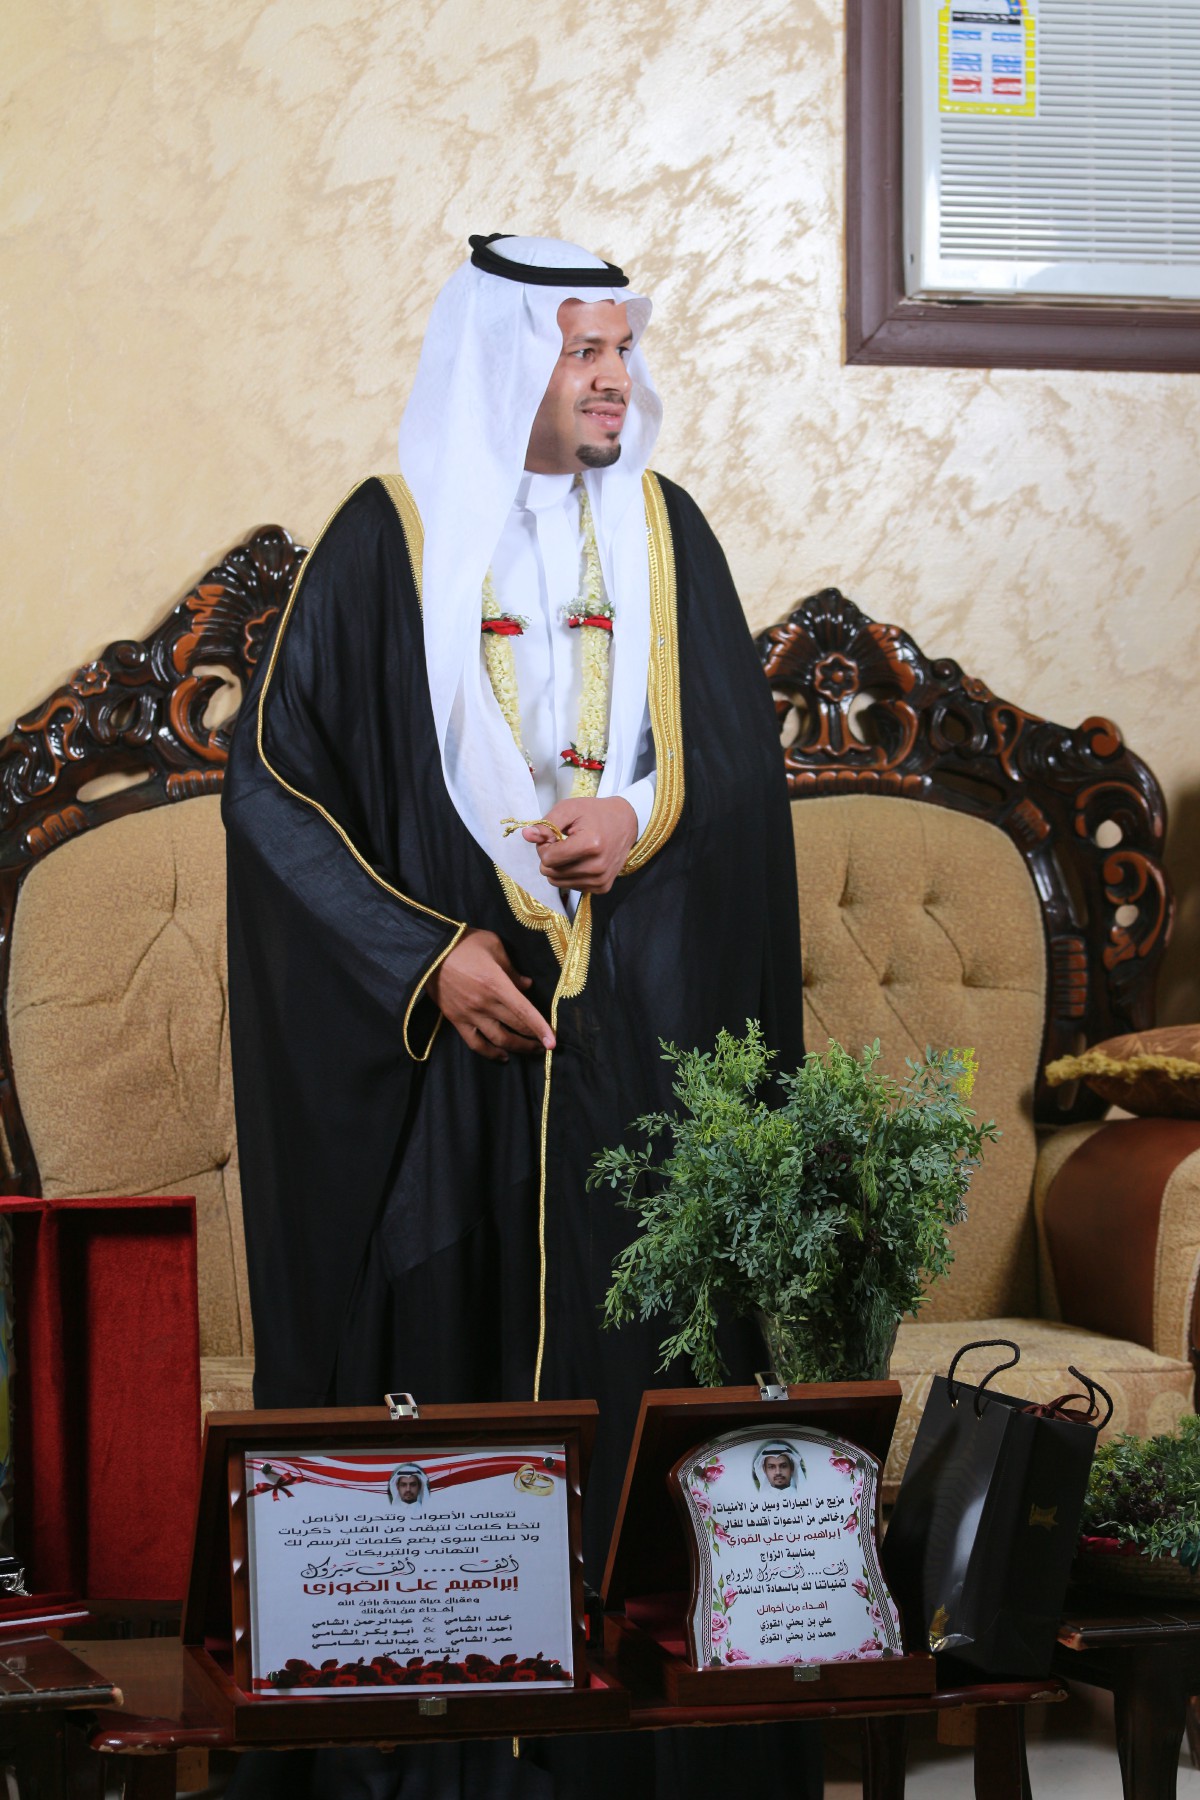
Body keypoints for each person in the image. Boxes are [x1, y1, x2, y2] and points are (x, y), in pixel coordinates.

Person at [223, 233, 814, 1797]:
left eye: (621, 349)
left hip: (629, 1058)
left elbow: (735, 773)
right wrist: (423, 961)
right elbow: (274, 790)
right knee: (460, 1389)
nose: (615, 380)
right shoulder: (388, 539)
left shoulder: (669, 534)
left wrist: (636, 812)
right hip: (456, 1072)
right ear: (506, 361)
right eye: (581, 352)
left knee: (641, 1371)